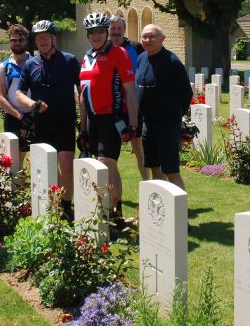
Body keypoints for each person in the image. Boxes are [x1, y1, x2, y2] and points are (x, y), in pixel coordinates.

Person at [15, 19, 81, 215]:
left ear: (54, 38)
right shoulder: (30, 64)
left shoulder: (69, 61)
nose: (42, 40)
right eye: (38, 37)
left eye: (46, 36)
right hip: (42, 125)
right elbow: (19, 93)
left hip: (65, 122)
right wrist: (32, 104)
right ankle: (54, 201)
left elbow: (82, 91)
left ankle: (66, 206)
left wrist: (84, 123)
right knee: (47, 168)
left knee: (67, 166)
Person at [78, 12, 139, 220]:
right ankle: (105, 210)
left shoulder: (119, 53)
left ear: (106, 33)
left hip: (112, 118)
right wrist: (83, 128)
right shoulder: (87, 57)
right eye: (91, 32)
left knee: (107, 163)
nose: (95, 36)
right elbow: (83, 95)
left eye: (99, 32)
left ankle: (116, 214)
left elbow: (130, 90)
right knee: (98, 164)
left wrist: (132, 124)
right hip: (93, 120)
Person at [136, 24, 193, 190]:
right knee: (154, 166)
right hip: (148, 123)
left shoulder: (172, 62)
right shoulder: (141, 58)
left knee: (171, 170)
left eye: (152, 36)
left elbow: (186, 94)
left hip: (167, 124)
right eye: (144, 37)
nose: (148, 40)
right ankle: (161, 208)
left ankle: (180, 211)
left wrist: (174, 116)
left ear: (162, 38)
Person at [108, 15, 149, 181]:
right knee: (110, 153)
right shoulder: (103, 49)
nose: (116, 32)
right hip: (111, 109)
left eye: (119, 29)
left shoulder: (136, 48)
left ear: (124, 30)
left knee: (138, 149)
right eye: (113, 29)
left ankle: (148, 184)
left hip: (132, 108)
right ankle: (112, 191)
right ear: (108, 30)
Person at [0, 24, 34, 170]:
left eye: (20, 39)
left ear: (26, 41)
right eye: (13, 40)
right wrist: (20, 117)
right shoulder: (3, 67)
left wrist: (31, 118)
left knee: (37, 158)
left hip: (34, 116)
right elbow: (0, 97)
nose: (17, 42)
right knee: (14, 161)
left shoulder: (36, 63)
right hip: (13, 117)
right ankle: (17, 189)